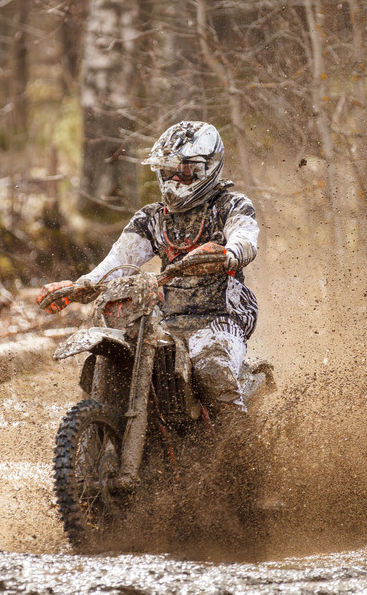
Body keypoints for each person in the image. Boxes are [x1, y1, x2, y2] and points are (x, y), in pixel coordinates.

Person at [38, 120, 259, 410]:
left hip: (220, 316)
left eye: (186, 171)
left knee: (211, 369)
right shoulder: (151, 218)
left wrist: (228, 253)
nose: (175, 181)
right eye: (168, 171)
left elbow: (245, 237)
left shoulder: (230, 205)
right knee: (125, 359)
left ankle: (243, 450)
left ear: (209, 167)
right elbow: (119, 259)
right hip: (166, 316)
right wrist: (81, 285)